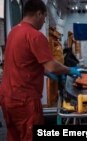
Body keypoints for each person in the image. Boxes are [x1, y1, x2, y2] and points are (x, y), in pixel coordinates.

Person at [0, 1, 81, 141]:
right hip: (25, 100)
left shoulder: (13, 32)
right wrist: (69, 70)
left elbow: (25, 63)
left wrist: (46, 72)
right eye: (44, 17)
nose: (44, 22)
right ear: (39, 13)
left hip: (7, 97)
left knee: (13, 136)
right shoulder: (35, 36)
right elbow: (51, 66)